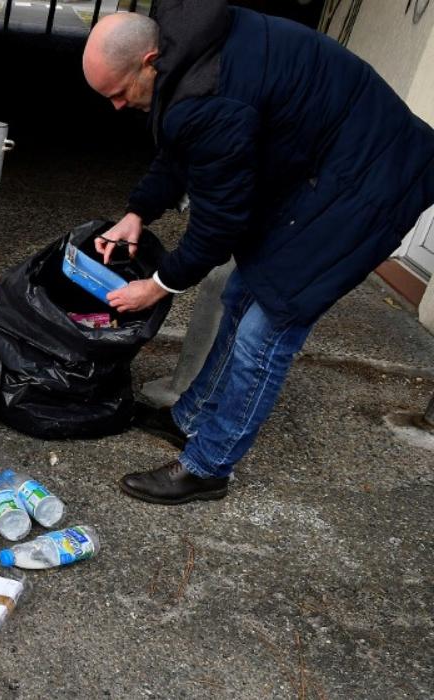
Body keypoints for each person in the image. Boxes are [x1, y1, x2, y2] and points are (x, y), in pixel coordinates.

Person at [82, 1, 434, 505]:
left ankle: (208, 467)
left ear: (150, 60)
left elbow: (218, 224)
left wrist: (158, 285)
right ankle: (191, 418)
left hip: (369, 181)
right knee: (243, 292)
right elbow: (183, 142)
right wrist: (138, 211)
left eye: (118, 93)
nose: (116, 107)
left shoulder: (208, 94)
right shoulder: (188, 57)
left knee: (265, 331)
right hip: (328, 165)